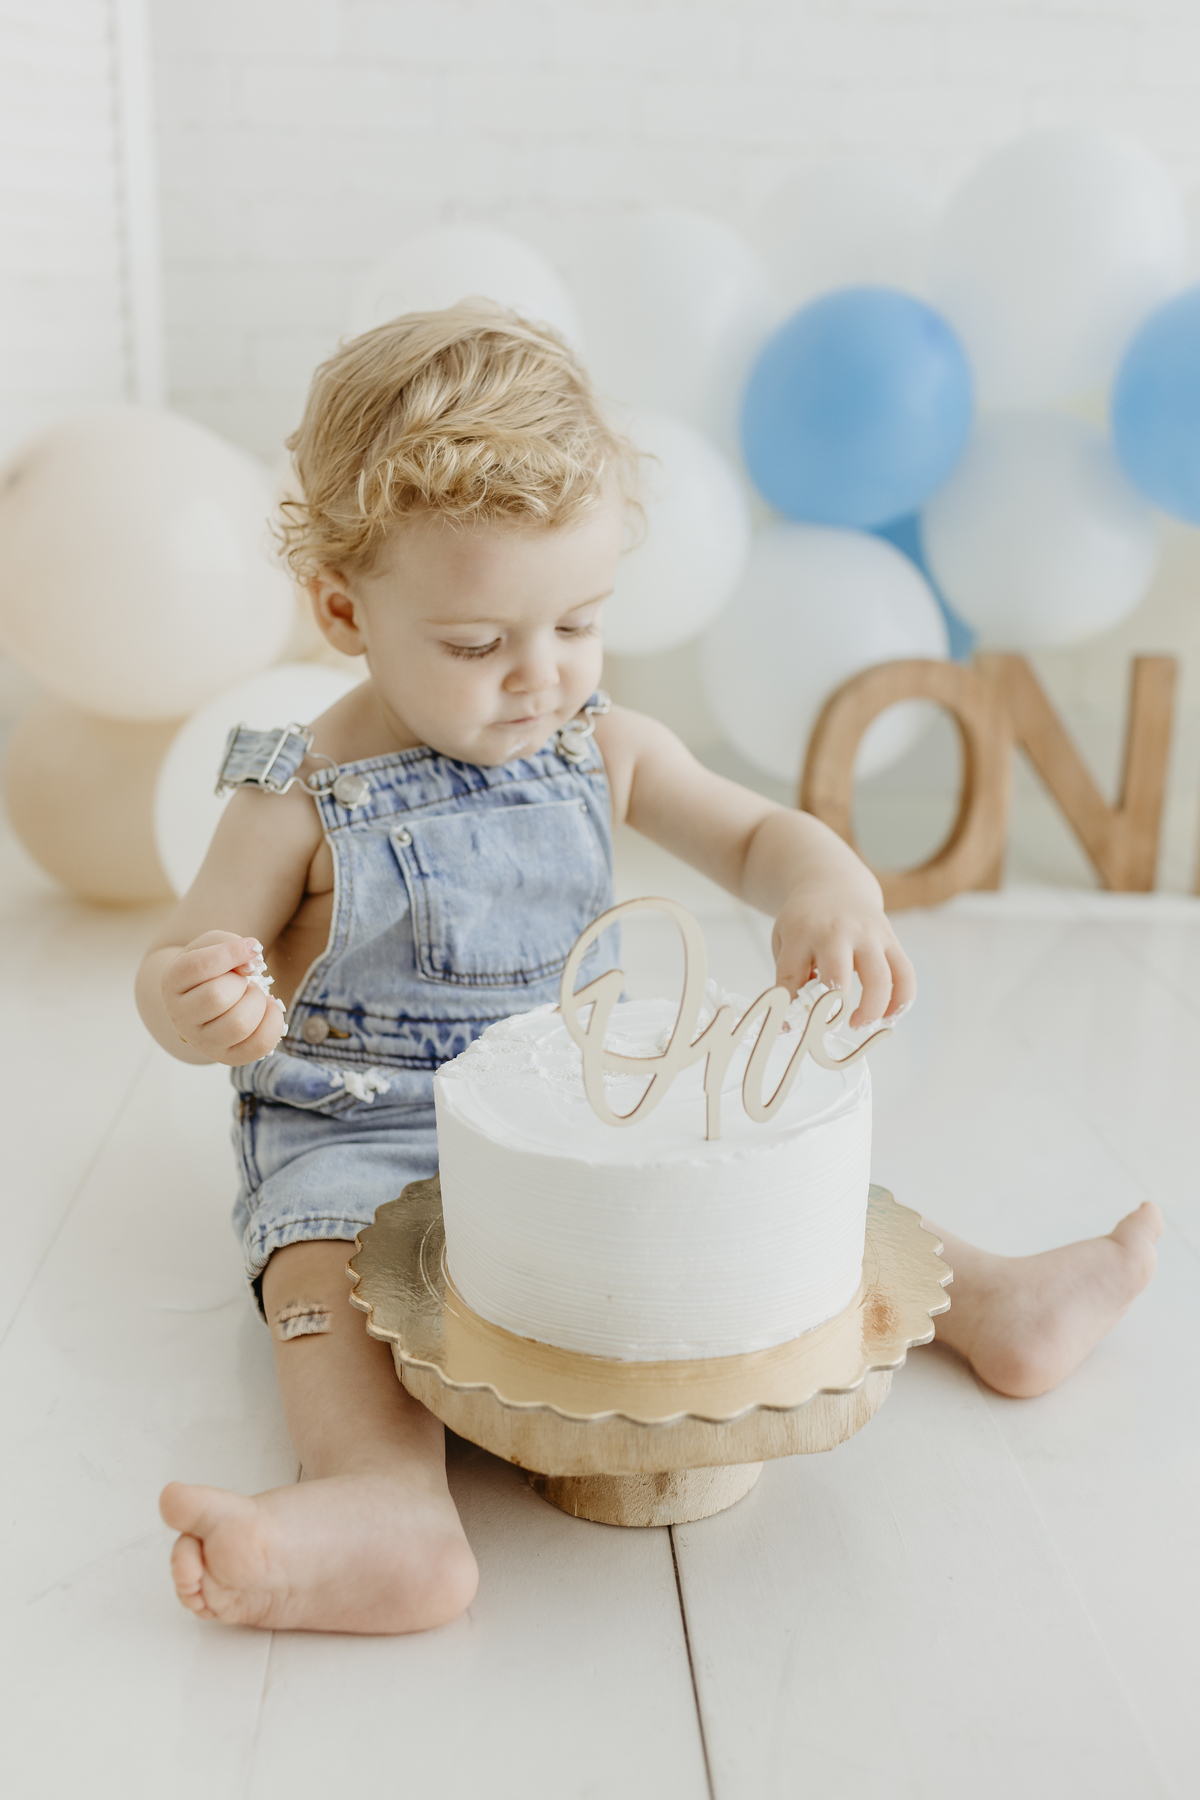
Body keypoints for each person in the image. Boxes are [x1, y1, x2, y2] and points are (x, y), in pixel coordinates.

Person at [135, 305, 1162, 1637]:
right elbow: (178, 960)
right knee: (325, 1273)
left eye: (578, 626)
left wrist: (821, 882)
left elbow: (746, 830)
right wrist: (198, 998)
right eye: (476, 645)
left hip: (577, 1097)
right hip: (359, 1119)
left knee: (737, 1192)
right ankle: (383, 1501)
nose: (537, 678)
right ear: (345, 608)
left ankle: (990, 1300)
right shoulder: (297, 790)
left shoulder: (595, 740)